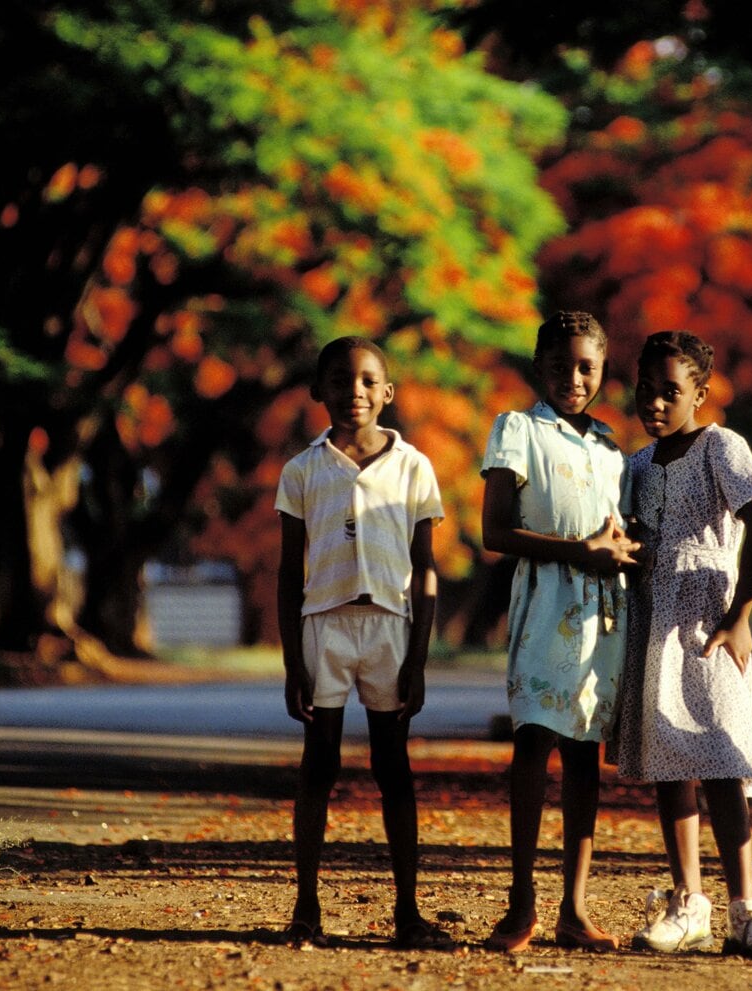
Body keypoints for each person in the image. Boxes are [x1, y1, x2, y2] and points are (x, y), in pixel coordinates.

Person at [613, 330, 752, 961]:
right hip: (650, 618)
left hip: (707, 619)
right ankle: (688, 902)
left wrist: (740, 613)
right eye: (646, 390)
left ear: (701, 392)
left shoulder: (722, 446)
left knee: (721, 757)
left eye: (672, 391)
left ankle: (746, 911)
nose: (657, 403)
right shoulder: (636, 465)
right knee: (670, 759)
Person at [275, 335, 454, 951]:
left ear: (387, 392)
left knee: (393, 767)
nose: (354, 390)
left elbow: (425, 565)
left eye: (368, 380)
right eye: (341, 380)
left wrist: (420, 659)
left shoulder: (413, 466)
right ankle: (306, 908)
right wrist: (291, 661)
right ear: (317, 391)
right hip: (323, 624)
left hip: (389, 628)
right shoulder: (302, 470)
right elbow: (286, 568)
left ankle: (408, 911)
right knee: (318, 764)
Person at [478, 310, 640, 954]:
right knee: (533, 743)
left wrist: (624, 553)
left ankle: (575, 907)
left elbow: (617, 532)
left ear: (602, 371)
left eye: (587, 367)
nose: (573, 377)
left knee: (584, 755)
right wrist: (581, 552)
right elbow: (495, 533)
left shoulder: (610, 446)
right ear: (537, 366)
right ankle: (522, 904)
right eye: (560, 365)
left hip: (606, 614)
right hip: (546, 604)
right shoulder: (517, 429)